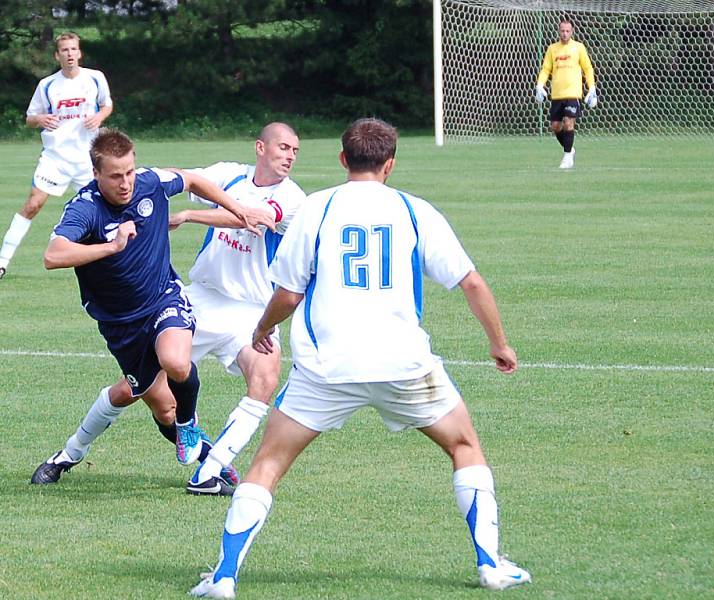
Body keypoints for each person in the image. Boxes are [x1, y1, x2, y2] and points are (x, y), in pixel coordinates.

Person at [190, 118, 531, 599]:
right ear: (390, 164)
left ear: (343, 159)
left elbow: (288, 294)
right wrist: (499, 343)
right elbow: (470, 282)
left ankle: (224, 578)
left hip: (326, 369)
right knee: (464, 447)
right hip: (405, 365)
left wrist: (262, 329)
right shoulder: (415, 210)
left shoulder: (316, 208)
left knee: (267, 463)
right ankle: (491, 565)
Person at [31, 123, 306, 497]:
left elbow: (259, 216)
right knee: (145, 397)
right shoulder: (228, 173)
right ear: (261, 147)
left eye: (294, 150)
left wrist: (201, 214)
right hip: (199, 297)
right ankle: (71, 452)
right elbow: (190, 179)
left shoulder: (293, 198)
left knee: (262, 378)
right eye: (283, 148)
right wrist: (113, 245)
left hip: (246, 308)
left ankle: (210, 469)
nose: (289, 156)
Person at [0, 32, 113, 279]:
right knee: (33, 204)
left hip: (87, 159)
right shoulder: (47, 85)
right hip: (56, 158)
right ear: (57, 55)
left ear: (79, 53)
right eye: (65, 50)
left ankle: (112, 261)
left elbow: (107, 104)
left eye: (74, 49)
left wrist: (100, 116)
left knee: (101, 209)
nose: (70, 54)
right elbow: (30, 118)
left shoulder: (95, 78)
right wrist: (40, 119)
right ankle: (2, 262)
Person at [535, 17, 597, 169]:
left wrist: (592, 88)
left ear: (572, 31)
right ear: (558, 31)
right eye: (562, 30)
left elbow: (588, 68)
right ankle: (570, 149)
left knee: (568, 122)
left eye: (567, 31)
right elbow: (546, 69)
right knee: (556, 126)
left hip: (573, 93)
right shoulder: (552, 49)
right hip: (557, 94)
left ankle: (567, 156)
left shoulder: (579, 48)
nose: (564, 33)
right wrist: (540, 85)